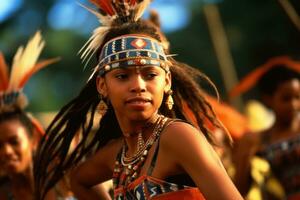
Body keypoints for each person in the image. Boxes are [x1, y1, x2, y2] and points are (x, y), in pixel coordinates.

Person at [34, 1, 243, 199]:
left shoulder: (179, 137)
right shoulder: (118, 154)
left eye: (150, 75)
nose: (139, 86)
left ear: (167, 81)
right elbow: (78, 180)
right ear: (102, 86)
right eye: (122, 76)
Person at [0, 32, 63, 199]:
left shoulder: (66, 182)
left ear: (34, 140)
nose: (6, 151)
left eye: (14, 141)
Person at [230, 56, 300, 199]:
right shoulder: (259, 139)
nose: (294, 104)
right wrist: (246, 156)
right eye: (286, 98)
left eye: (298, 97)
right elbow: (239, 190)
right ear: (268, 99)